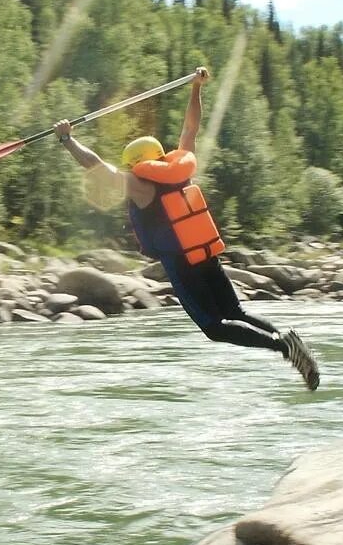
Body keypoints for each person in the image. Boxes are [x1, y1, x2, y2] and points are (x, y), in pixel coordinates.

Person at [53, 67, 321, 390]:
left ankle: (282, 346)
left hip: (182, 264)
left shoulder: (141, 185)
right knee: (235, 311)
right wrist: (196, 88)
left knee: (214, 326)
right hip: (205, 256)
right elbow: (191, 128)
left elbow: (97, 167)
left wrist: (68, 139)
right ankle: (287, 340)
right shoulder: (180, 171)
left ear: (137, 162)